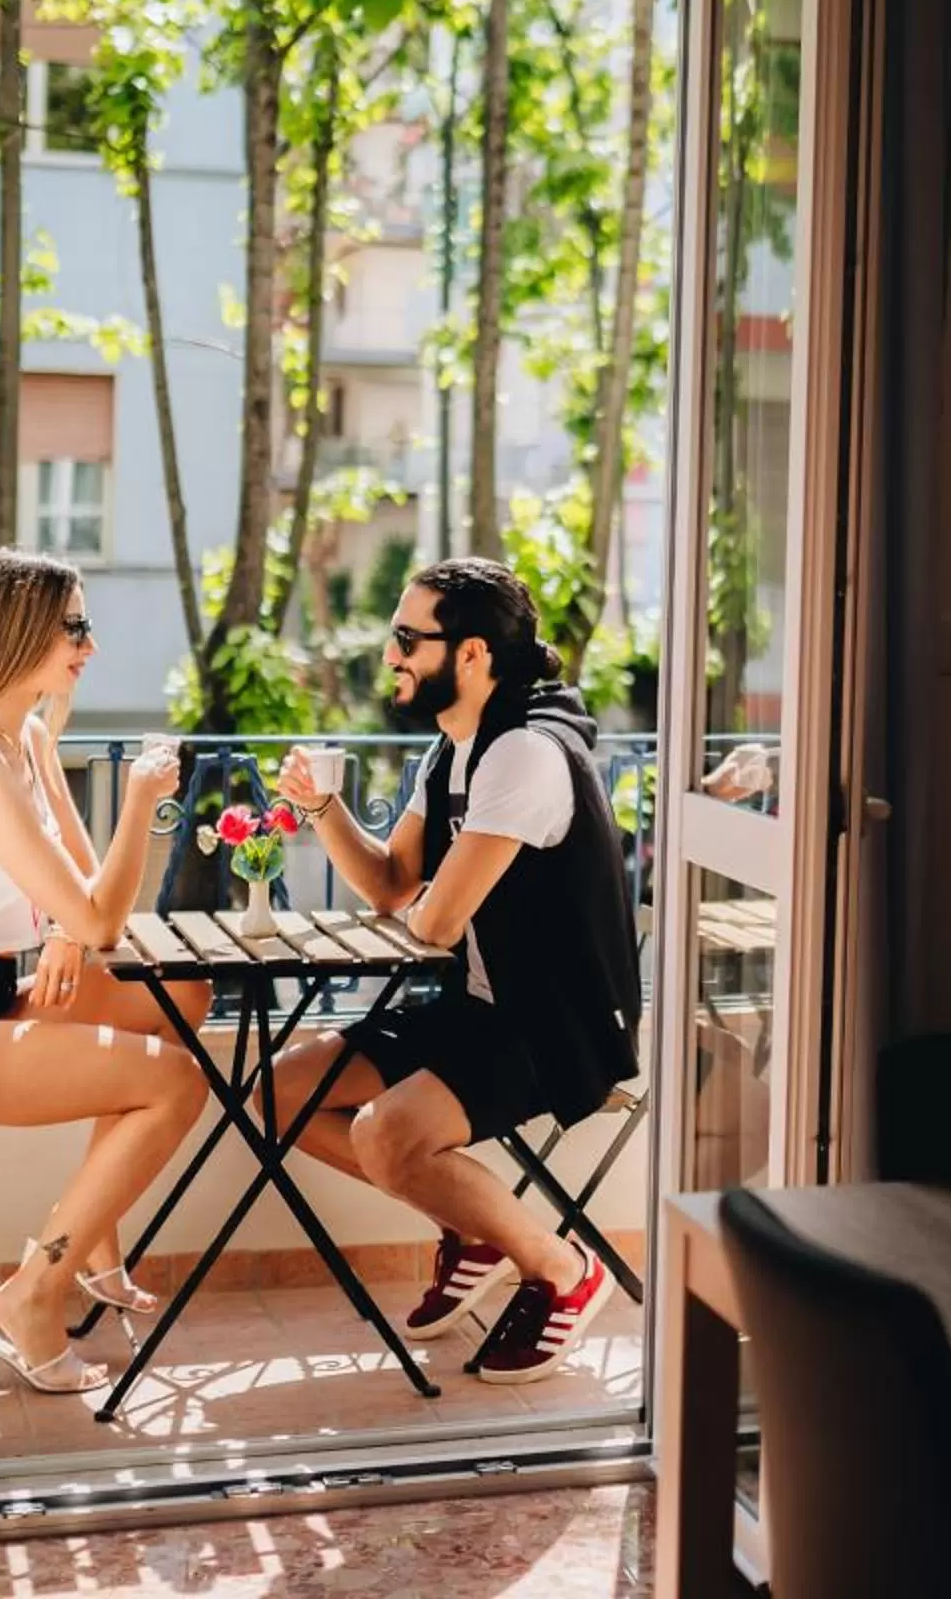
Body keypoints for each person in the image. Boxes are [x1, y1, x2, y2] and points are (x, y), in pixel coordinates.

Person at [268, 558, 640, 1384]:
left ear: (471, 654)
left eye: (408, 638)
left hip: (555, 1023)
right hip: (475, 1007)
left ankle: (562, 1270)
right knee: (278, 1095)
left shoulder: (525, 754)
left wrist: (431, 904)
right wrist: (322, 807)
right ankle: (476, 1232)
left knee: (385, 1133)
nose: (390, 655)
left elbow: (434, 922)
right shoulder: (453, 751)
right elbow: (393, 886)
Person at [0, 547, 210, 1395]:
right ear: (17, 633)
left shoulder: (22, 741)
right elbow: (101, 915)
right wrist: (140, 801)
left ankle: (92, 1238)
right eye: (73, 626)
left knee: (180, 993)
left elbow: (83, 900)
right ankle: (34, 1290)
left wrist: (65, 937)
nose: (90, 643)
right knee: (177, 1085)